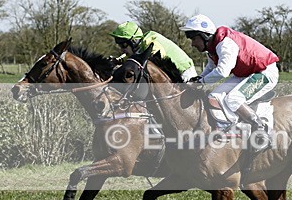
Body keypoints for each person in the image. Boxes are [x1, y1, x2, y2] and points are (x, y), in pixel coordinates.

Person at [180, 14, 279, 145]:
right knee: (214, 96)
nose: (192, 44)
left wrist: (201, 82)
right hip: (246, 74)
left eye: (193, 38)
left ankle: (261, 129)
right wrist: (198, 79)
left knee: (233, 99)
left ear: (204, 35)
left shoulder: (225, 44)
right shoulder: (212, 47)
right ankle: (228, 127)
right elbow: (211, 67)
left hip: (264, 72)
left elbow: (222, 71)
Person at [109, 21, 198, 82]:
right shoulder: (142, 44)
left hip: (184, 72)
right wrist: (120, 60)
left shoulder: (150, 42)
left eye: (123, 45)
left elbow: (149, 61)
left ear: (133, 41)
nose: (121, 49)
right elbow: (136, 56)